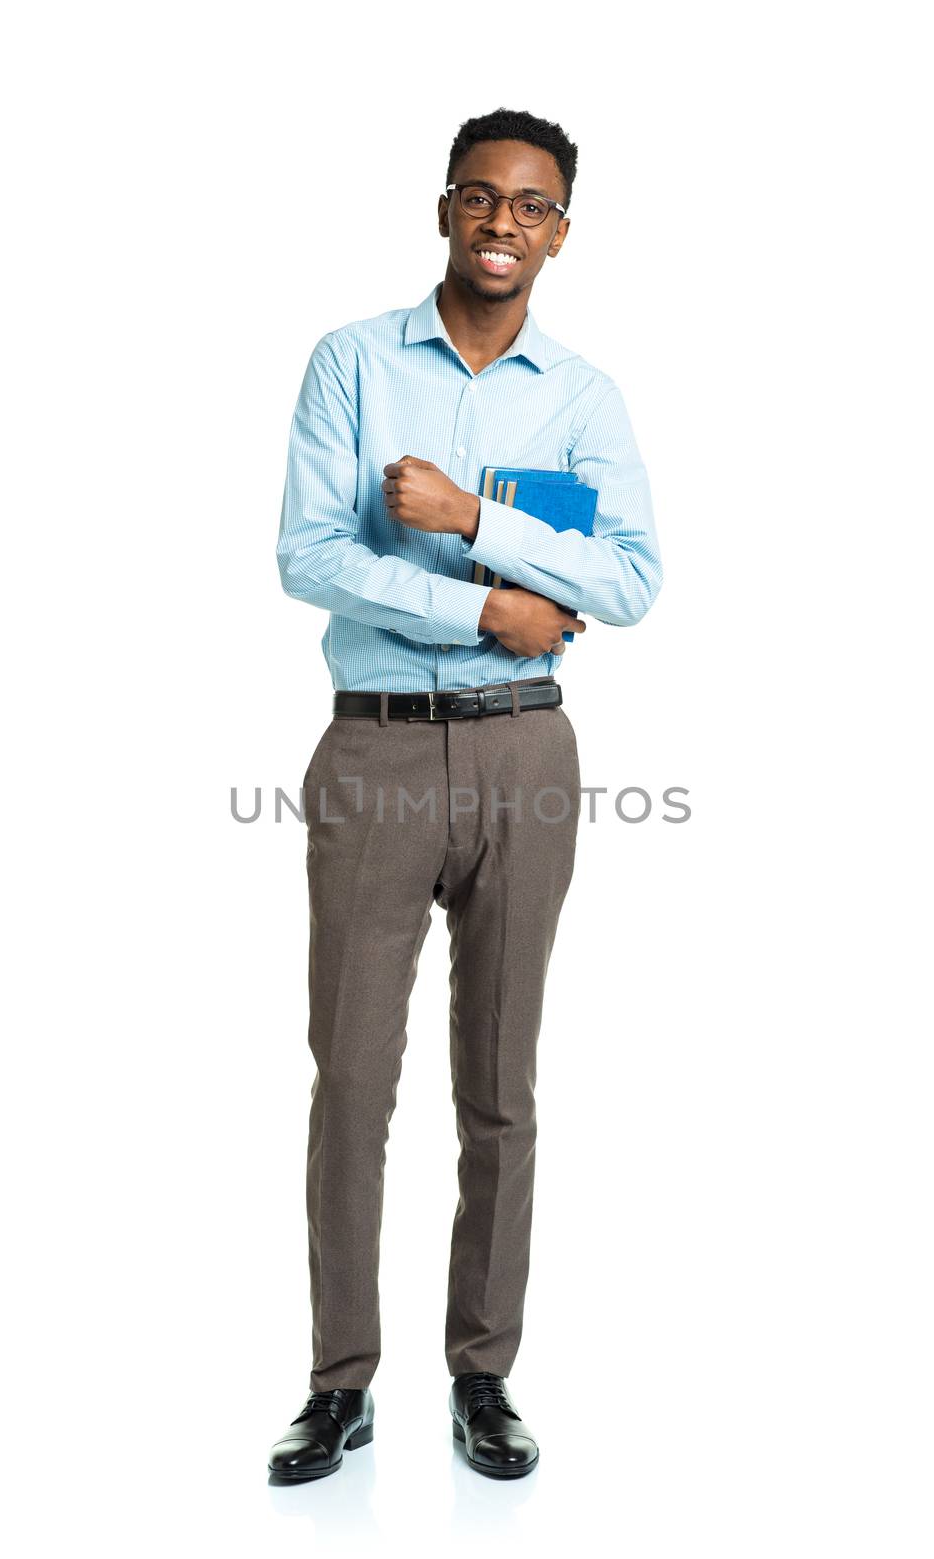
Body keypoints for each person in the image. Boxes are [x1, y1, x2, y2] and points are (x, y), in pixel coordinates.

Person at [268, 106, 663, 1484]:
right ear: (445, 209)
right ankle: (340, 1383)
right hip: (375, 751)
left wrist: (477, 525)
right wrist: (485, 611)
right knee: (353, 1080)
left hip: (525, 758)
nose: (504, 222)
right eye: (481, 196)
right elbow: (310, 554)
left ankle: (481, 1375)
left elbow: (629, 584)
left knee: (501, 1084)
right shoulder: (354, 363)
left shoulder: (583, 396)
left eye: (533, 204)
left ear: (561, 230)